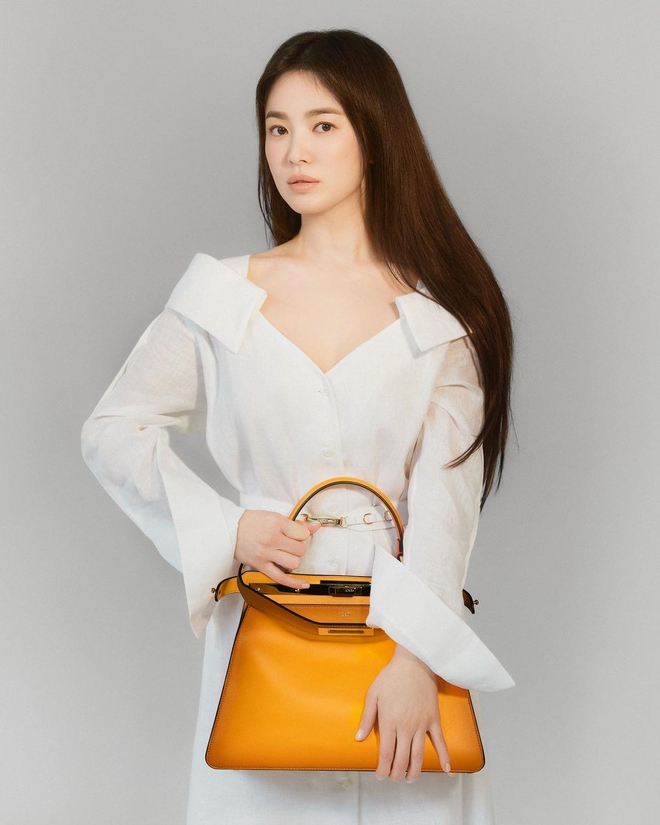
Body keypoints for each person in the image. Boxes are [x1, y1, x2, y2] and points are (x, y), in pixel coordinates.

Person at [81, 28, 516, 825]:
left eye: (323, 125)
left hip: (402, 638)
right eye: (277, 128)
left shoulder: (437, 318)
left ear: (375, 136)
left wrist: (419, 658)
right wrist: (230, 528)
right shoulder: (223, 297)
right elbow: (113, 429)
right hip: (268, 634)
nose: (294, 152)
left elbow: (447, 512)